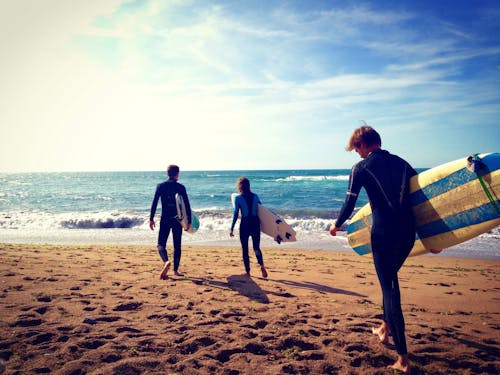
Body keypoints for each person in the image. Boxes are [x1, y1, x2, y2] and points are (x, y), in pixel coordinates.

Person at [330, 126, 417, 374]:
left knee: (390, 291)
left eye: (356, 148)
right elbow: (420, 197)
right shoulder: (402, 163)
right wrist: (432, 238)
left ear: (363, 145)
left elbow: (349, 202)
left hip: (384, 236)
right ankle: (384, 328)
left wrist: (336, 225)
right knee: (388, 282)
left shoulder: (361, 168)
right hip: (407, 236)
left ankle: (402, 359)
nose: (356, 154)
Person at [150, 165, 191, 279]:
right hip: (178, 220)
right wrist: (189, 221)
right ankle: (176, 271)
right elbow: (187, 205)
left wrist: (151, 218)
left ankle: (166, 261)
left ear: (167, 174)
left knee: (160, 244)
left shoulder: (160, 186)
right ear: (177, 174)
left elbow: (154, 203)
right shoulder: (181, 187)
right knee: (177, 245)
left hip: (165, 219)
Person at [230, 177, 268, 278]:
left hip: (245, 224)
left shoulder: (238, 198)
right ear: (249, 186)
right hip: (255, 224)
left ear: (240, 186)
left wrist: (232, 228)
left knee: (245, 249)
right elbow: (262, 211)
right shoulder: (255, 196)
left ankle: (248, 272)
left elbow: (235, 214)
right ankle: (262, 265)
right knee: (256, 247)